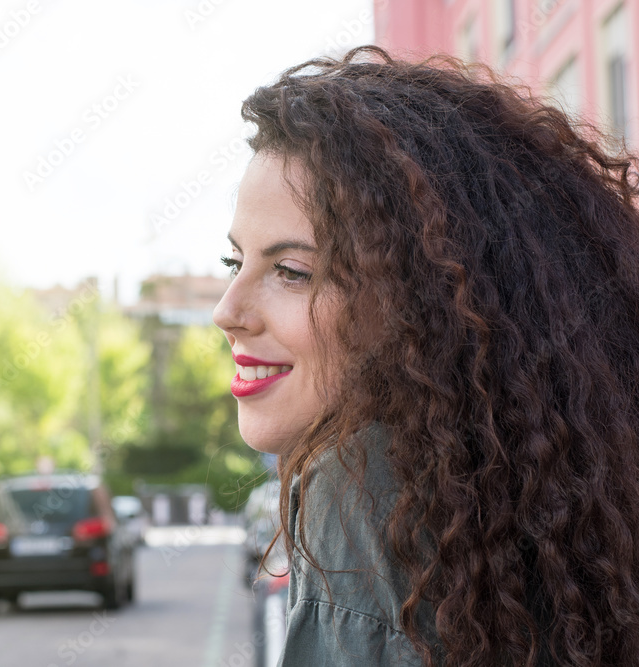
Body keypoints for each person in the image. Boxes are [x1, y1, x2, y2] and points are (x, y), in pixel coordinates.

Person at [212, 45, 639, 667]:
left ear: (424, 298)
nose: (228, 310)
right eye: (234, 262)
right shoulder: (563, 491)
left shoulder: (360, 486)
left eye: (292, 271)